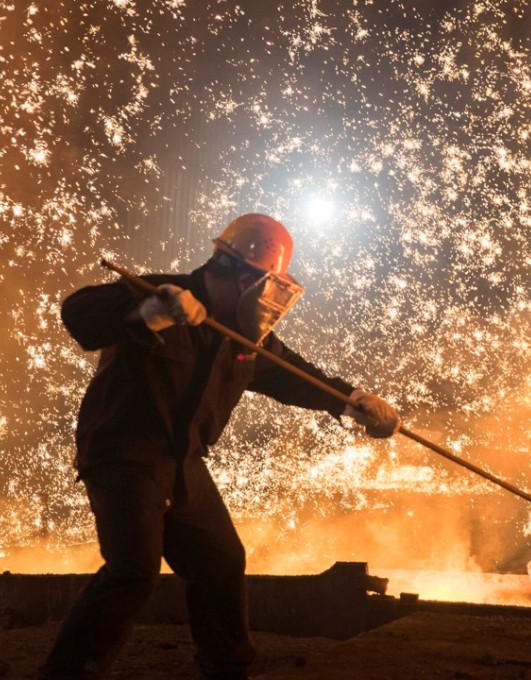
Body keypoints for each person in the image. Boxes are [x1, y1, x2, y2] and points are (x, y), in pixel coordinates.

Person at [40, 214, 399, 680]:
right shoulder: (162, 293)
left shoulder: (242, 337)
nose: (271, 302)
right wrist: (151, 315)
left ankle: (226, 669)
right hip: (124, 456)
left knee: (221, 561)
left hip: (182, 463)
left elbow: (294, 376)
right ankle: (65, 674)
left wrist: (352, 403)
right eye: (267, 285)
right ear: (239, 272)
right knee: (134, 569)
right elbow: (79, 312)